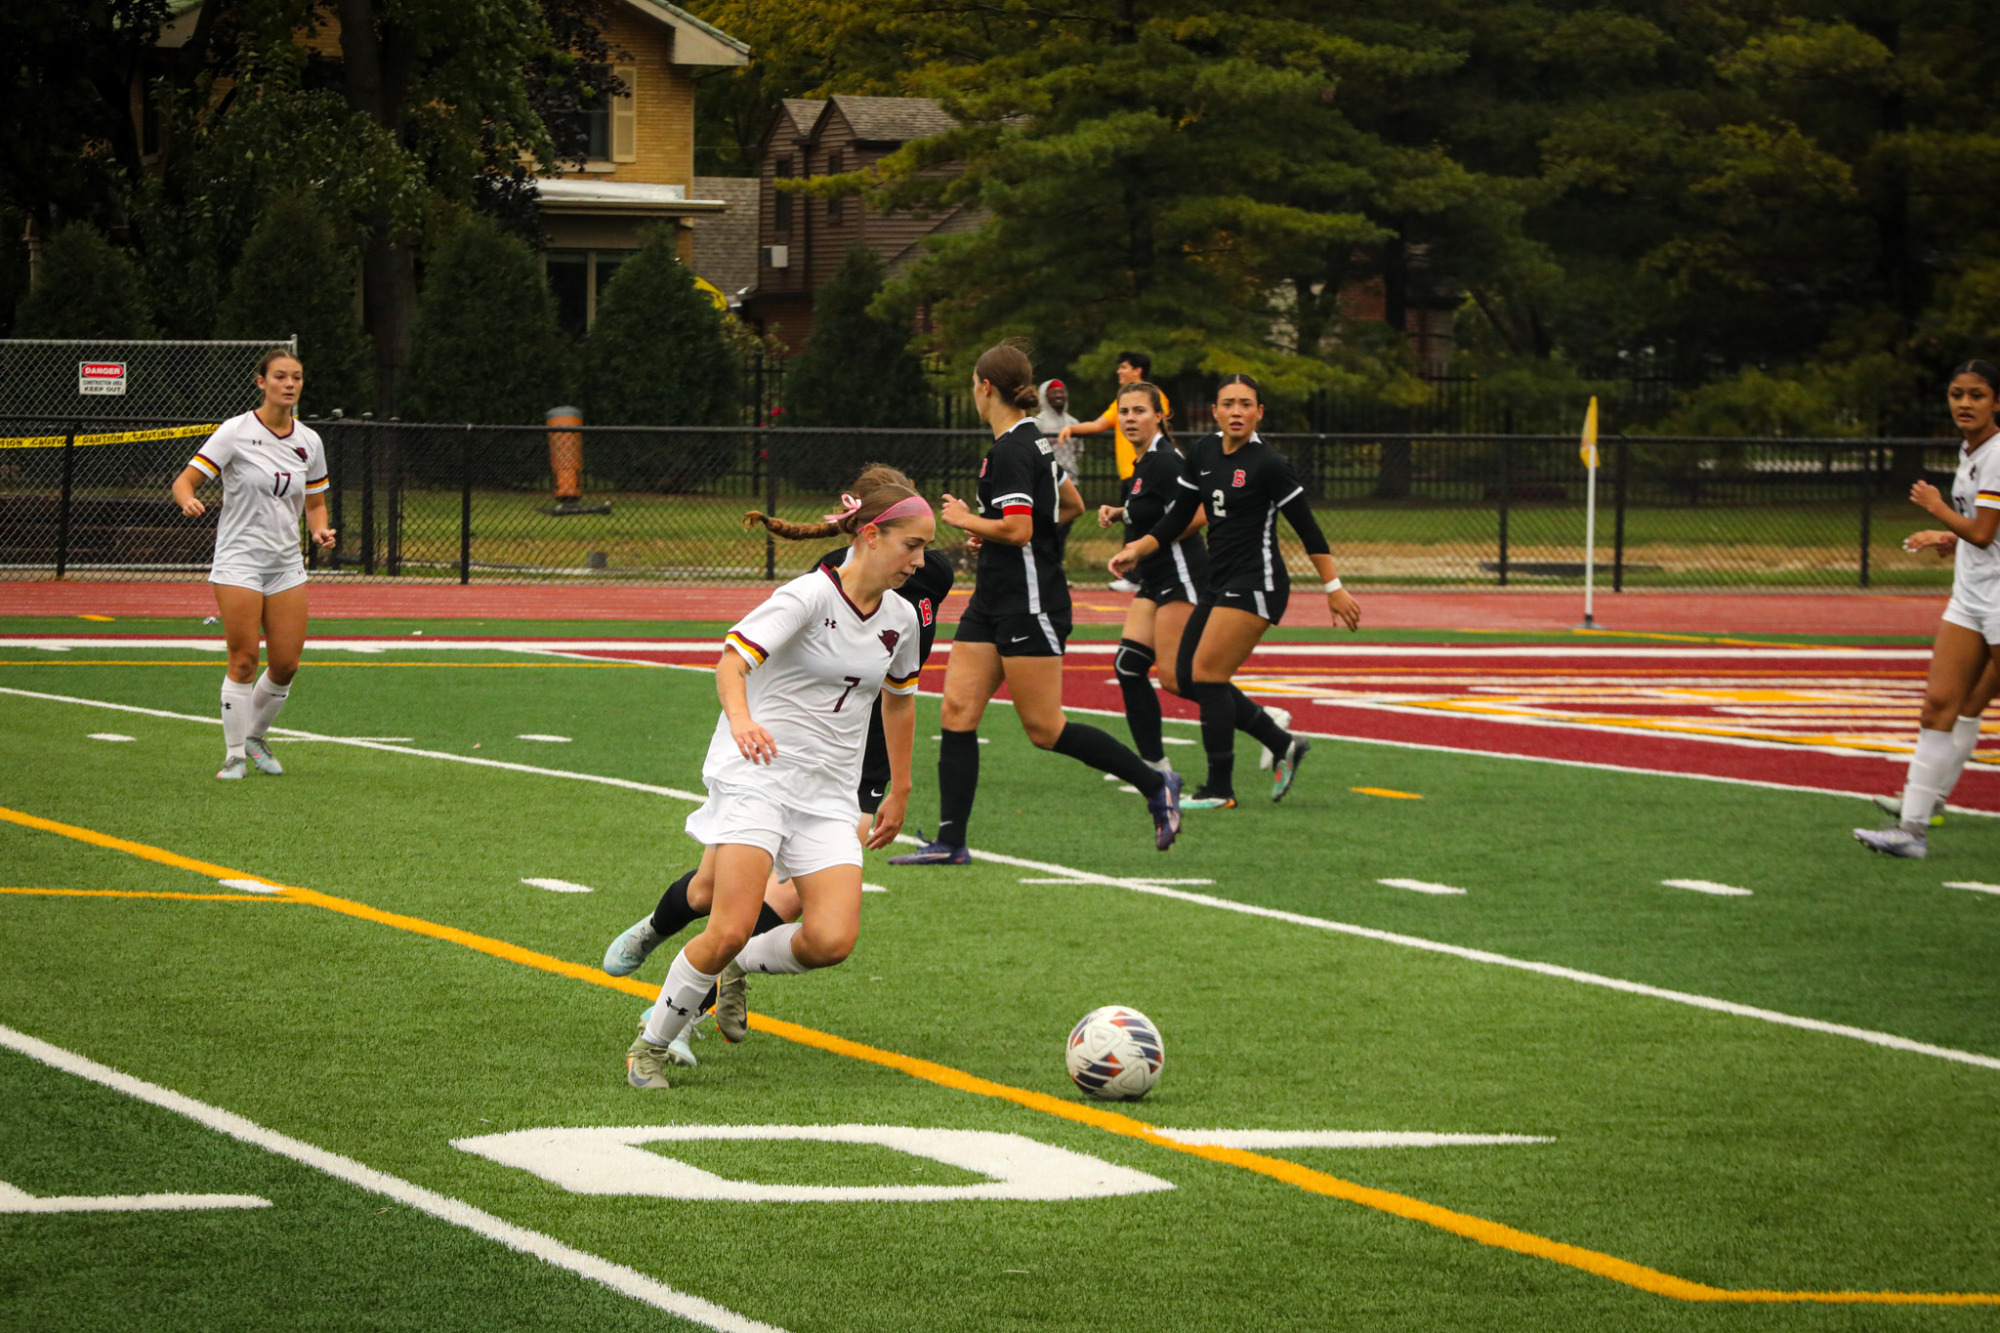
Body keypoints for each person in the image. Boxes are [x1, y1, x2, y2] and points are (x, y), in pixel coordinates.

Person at [602, 470, 955, 1064]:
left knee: (831, 939)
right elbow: (730, 665)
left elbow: (898, 700)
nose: (921, 561)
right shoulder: (807, 595)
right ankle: (653, 1045)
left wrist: (901, 785)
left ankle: (735, 965)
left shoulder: (900, 617)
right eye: (911, 546)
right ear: (870, 536)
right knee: (727, 918)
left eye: (924, 547)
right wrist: (741, 720)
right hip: (758, 778)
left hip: (828, 793)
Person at [890, 342, 1182, 865]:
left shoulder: (1012, 449)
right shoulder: (1031, 440)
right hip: (992, 598)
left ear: (985, 387)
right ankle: (951, 841)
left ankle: (1155, 783)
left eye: (972, 385)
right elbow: (1068, 504)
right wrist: (996, 533)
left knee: (1045, 729)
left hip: (1030, 603)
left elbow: (1020, 528)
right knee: (957, 710)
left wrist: (969, 521)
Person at [1112, 373, 1361, 809]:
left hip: (1257, 583)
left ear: (1259, 413)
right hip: (1217, 582)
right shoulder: (1206, 451)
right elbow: (1178, 517)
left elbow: (1308, 528)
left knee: (1207, 676)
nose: (1237, 412)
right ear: (1215, 411)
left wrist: (1334, 588)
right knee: (1183, 675)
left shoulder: (1269, 463)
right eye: (1228, 404)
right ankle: (1280, 740)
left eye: (1246, 404)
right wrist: (1140, 547)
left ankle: (1219, 790)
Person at [1856, 360, 2000, 858]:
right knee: (1940, 705)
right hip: (1971, 597)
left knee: (1968, 706)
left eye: (1977, 395)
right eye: (1956, 393)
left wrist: (1939, 511)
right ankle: (1912, 828)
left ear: (1996, 402)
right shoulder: (1971, 452)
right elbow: (1982, 531)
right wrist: (1947, 534)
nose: (1964, 403)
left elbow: (1982, 532)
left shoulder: (1998, 453)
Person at [170, 348, 334, 780]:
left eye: (296, 377)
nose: (289, 384)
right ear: (261, 382)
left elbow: (315, 503)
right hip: (238, 559)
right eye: (280, 376)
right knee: (243, 659)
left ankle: (258, 736)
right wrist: (188, 498)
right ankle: (234, 754)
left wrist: (320, 529)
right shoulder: (235, 431)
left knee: (286, 663)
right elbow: (185, 479)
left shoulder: (309, 441)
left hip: (286, 564)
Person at [1097, 381, 1207, 772]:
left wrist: (1143, 545)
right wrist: (1121, 512)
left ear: (1160, 415)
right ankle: (1157, 769)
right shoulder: (1145, 461)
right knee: (1128, 666)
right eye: (1124, 412)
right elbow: (1156, 507)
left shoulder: (1167, 460)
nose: (1129, 419)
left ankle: (1271, 727)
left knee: (1179, 680)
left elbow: (1197, 513)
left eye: (1139, 411)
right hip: (1155, 579)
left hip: (1181, 575)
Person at [1059, 351, 1169, 591]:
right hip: (1131, 472)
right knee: (1133, 519)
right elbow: (1099, 424)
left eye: (1123, 367)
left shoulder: (1156, 400)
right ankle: (1136, 575)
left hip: (1145, 473)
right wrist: (1071, 428)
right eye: (1125, 412)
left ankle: (1135, 576)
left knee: (1143, 521)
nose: (1129, 418)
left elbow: (1191, 516)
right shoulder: (1124, 398)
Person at [1037, 380, 1082, 576]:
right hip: (1047, 483)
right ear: (1044, 396)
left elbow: (1079, 451)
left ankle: (1056, 571)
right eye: (1053, 392)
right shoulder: (1037, 424)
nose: (1058, 396)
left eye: (1061, 392)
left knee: (1063, 532)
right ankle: (1043, 570)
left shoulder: (1074, 424)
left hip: (1071, 482)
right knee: (1047, 529)